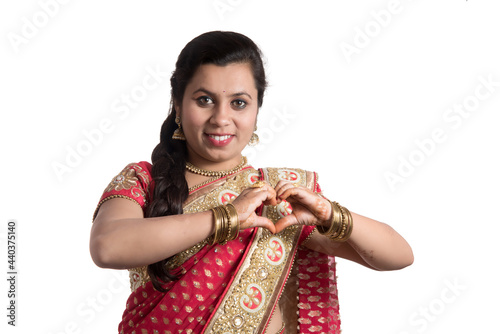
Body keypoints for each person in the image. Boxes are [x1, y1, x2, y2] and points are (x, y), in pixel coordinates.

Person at [90, 31, 413, 334]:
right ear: (177, 104)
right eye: (204, 100)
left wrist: (332, 216)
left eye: (239, 103)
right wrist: (227, 217)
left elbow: (398, 256)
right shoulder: (143, 180)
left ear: (257, 110)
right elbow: (107, 246)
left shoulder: (275, 196)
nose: (221, 118)